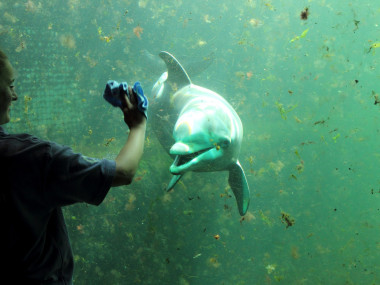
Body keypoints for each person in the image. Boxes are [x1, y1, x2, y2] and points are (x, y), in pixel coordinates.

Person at [0, 49, 147, 284]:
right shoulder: (32, 157)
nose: (15, 95)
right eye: (10, 85)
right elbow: (123, 172)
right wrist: (138, 125)